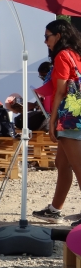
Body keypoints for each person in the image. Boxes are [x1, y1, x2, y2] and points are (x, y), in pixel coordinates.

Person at [33, 20, 81, 222]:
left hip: (70, 118)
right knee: (62, 163)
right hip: (78, 114)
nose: (45, 41)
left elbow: (61, 91)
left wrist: (52, 121)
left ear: (58, 36)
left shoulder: (62, 56)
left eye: (47, 36)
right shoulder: (76, 55)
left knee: (78, 167)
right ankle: (55, 209)